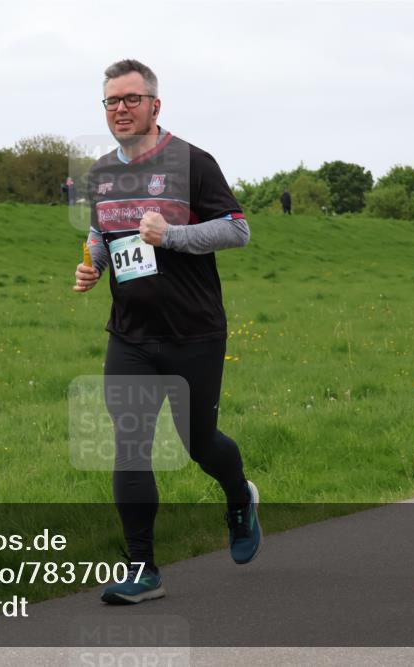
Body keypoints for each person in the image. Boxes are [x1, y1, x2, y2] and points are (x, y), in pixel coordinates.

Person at [73, 59, 260, 604]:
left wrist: (172, 236)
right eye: (112, 101)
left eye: (131, 99)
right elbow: (101, 231)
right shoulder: (100, 174)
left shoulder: (193, 162)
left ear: (155, 105)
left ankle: (239, 497)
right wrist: (92, 265)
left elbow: (238, 230)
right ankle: (142, 569)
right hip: (130, 335)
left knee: (199, 443)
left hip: (193, 333)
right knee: (130, 447)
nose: (121, 109)